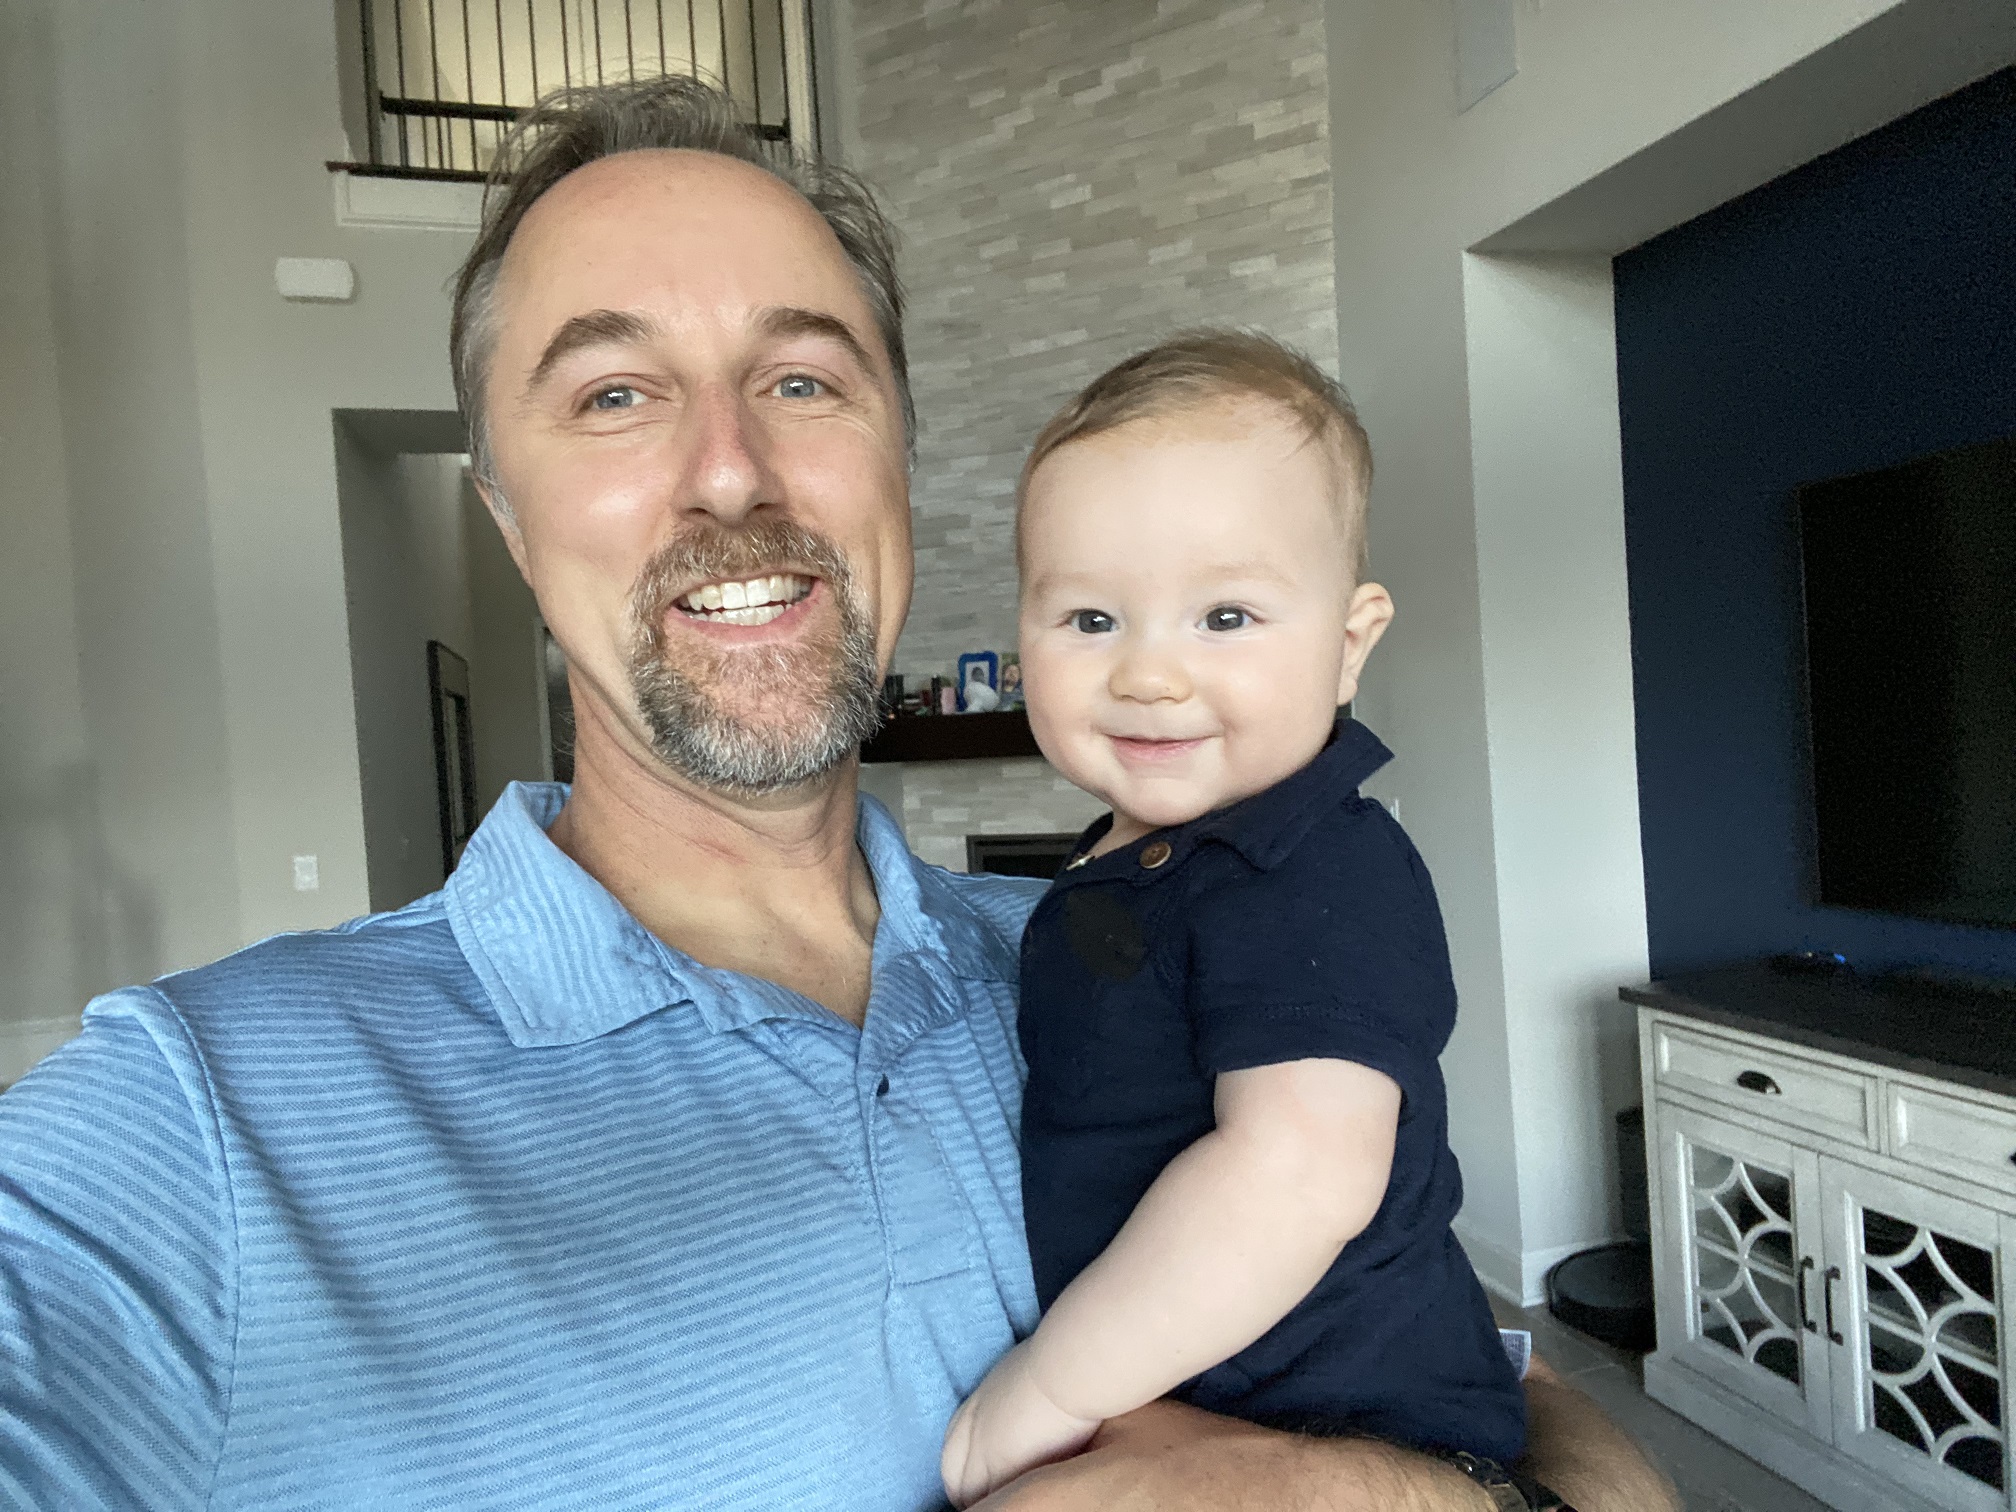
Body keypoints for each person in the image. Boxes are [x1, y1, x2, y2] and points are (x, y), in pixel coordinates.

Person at [0, 75, 1677, 1511]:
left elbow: (1532, 1406)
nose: (731, 468)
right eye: (614, 394)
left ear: (899, 469)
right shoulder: (192, 1120)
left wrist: (1350, 1493)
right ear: (508, 515)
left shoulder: (1113, 940)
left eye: (803, 379)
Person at [943, 333, 1521, 1507]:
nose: (1149, 675)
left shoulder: (1313, 866)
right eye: (1091, 620)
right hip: (1201, 1388)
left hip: (1347, 1418)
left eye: (1226, 616)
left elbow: (1296, 1174)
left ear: (1349, 646)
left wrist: (1052, 1386)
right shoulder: (1133, 861)